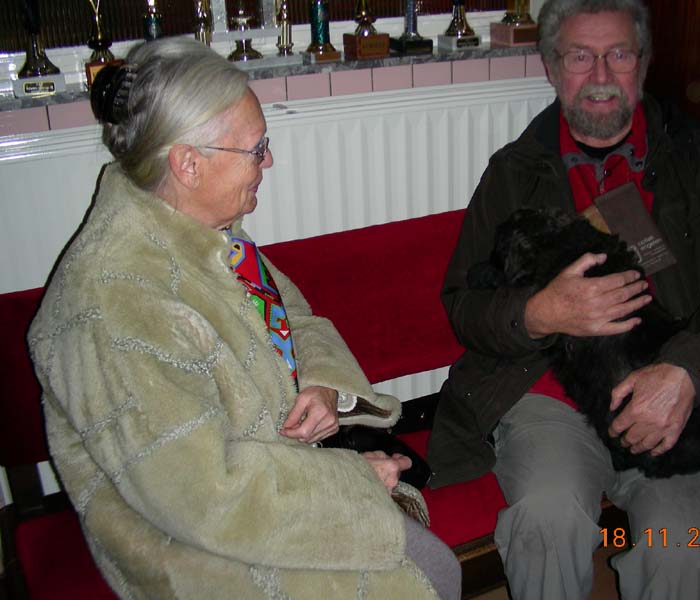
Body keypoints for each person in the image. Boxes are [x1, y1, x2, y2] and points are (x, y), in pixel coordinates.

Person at [27, 38, 459, 600]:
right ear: (188, 163)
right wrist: (356, 482)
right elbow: (203, 498)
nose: (269, 162)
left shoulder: (204, 231)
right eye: (257, 149)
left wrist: (322, 384)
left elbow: (291, 314)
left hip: (270, 483)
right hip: (192, 544)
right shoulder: (113, 302)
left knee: (433, 565)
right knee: (430, 575)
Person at [426, 0, 700, 599]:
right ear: (551, 67)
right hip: (548, 396)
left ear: (643, 63)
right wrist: (538, 313)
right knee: (546, 522)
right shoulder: (513, 171)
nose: (600, 75)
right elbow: (463, 304)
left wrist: (688, 370)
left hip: (673, 394)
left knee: (682, 549)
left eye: (618, 54)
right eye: (579, 57)